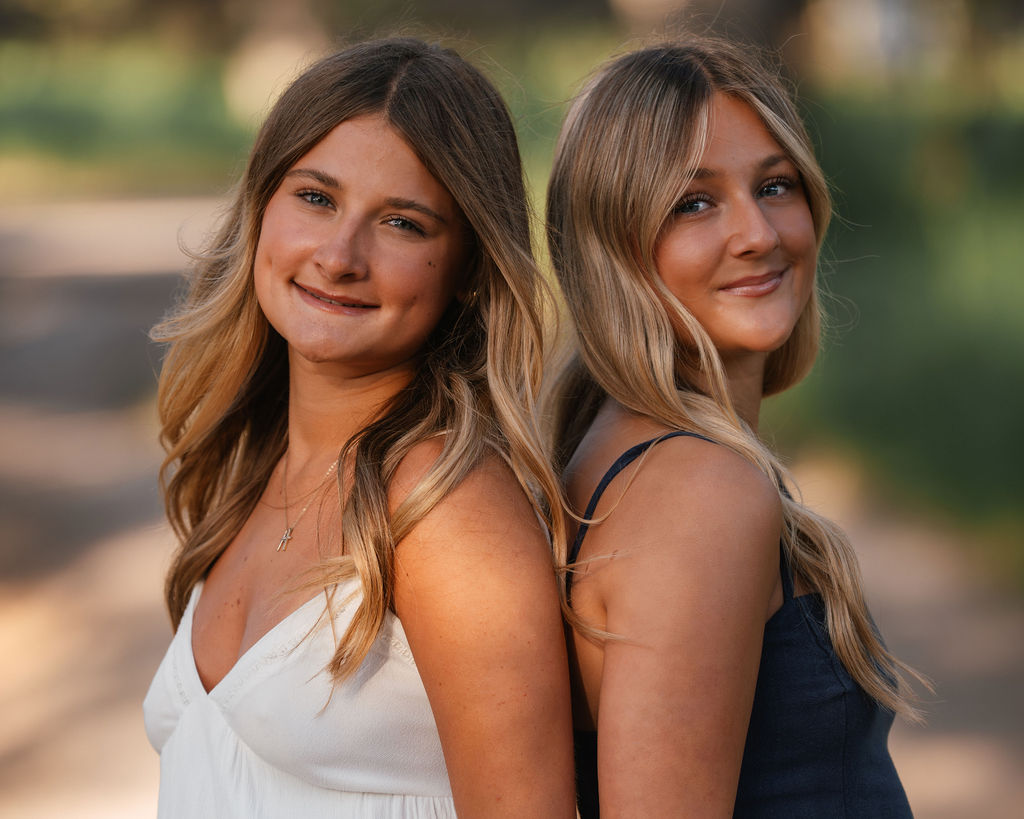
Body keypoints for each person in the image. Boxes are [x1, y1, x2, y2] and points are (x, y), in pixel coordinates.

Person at [143, 37, 576, 818]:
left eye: (403, 223)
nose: (340, 255)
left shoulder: (447, 509)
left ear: (470, 269)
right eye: (316, 198)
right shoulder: (253, 464)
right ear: (261, 207)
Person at [546, 37, 925, 817]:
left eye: (774, 185)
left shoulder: (628, 449)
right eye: (694, 203)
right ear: (611, 245)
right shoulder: (697, 493)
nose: (758, 233)